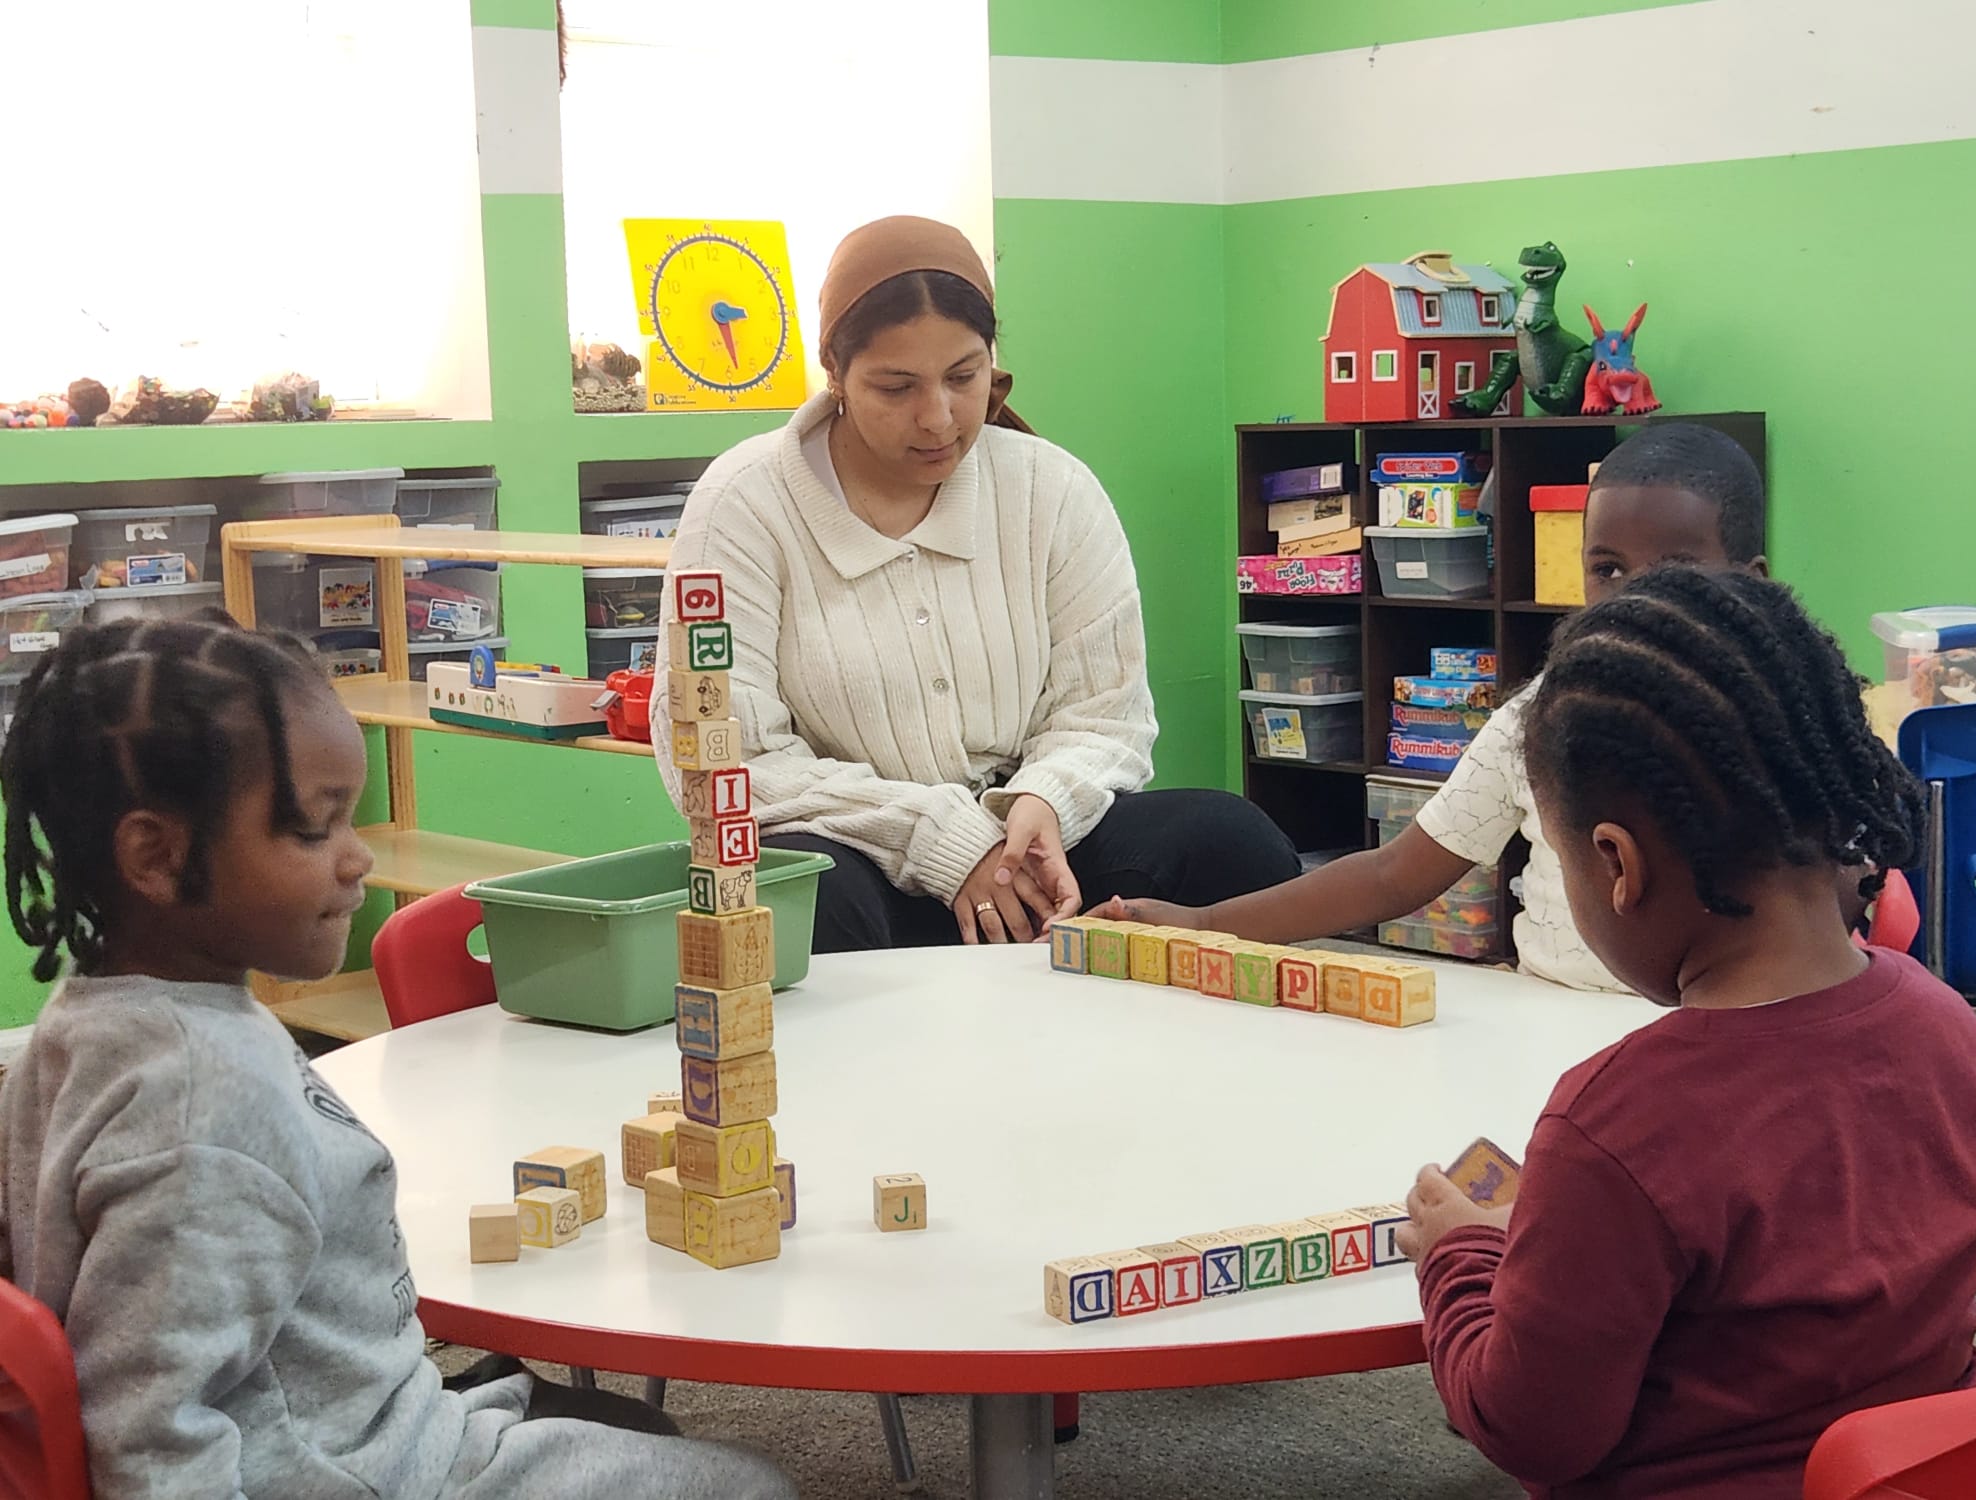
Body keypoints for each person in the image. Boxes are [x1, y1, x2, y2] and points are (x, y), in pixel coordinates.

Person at [0, 616, 794, 1500]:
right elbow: (150, 1439)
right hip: (373, 1468)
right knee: (751, 1485)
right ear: (157, 855)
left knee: (632, 1432)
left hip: (353, 1414)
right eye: (315, 829)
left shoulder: (85, 1020)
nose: (359, 858)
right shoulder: (202, 1109)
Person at [1396, 568, 1976, 1498]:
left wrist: (1461, 1255)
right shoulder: (1950, 1027)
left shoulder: (1617, 1124)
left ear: (1615, 865)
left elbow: (1531, 1429)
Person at [658, 216, 1298, 951]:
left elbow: (1106, 716)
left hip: (1033, 851)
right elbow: (719, 760)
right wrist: (941, 838)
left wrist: (1043, 801)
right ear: (834, 375)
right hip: (859, 857)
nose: (937, 418)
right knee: (802, 901)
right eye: (895, 387)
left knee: (1234, 843)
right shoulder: (744, 505)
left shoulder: (1050, 489)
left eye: (964, 378)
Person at [1094, 422, 1769, 991]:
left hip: (1705, 1040)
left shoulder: (1790, 729)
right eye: (1608, 569)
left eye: (1675, 568)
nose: (1632, 599)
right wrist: (1205, 924)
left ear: (1751, 582)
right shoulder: (1542, 716)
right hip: (1544, 1026)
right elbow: (1395, 873)